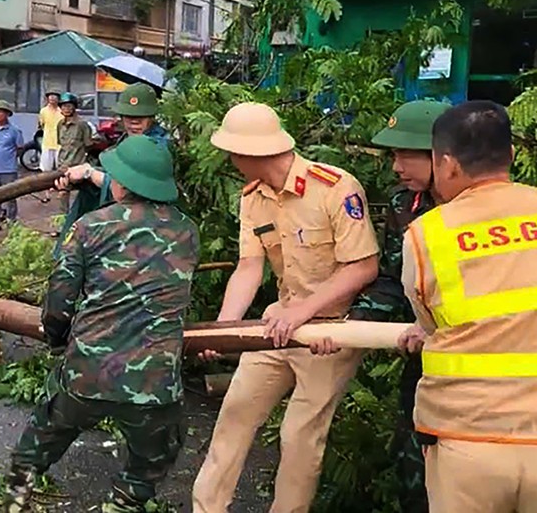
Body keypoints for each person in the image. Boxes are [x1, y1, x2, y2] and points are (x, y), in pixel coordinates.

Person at [192, 103, 380, 513]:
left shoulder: (334, 187)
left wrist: (304, 312)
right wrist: (224, 329)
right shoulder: (253, 198)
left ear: (250, 152)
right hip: (279, 323)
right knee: (235, 415)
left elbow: (363, 266)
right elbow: (249, 266)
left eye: (231, 152)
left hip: (332, 331)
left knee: (299, 437)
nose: (229, 160)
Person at [1, 135, 200, 513]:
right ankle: (126, 502)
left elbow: (58, 303)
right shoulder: (188, 231)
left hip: (87, 370)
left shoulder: (90, 227)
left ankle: (16, 492)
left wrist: (57, 343)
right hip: (155, 382)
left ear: (121, 182)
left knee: (49, 425)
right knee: (157, 451)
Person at [400, 101, 537, 513]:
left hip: (466, 437)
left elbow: (427, 321)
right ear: (512, 156)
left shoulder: (428, 235)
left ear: (448, 164)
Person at [348, 100, 450, 513]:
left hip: (479, 367)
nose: (395, 167)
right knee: (411, 464)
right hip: (419, 360)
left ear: (441, 155)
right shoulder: (401, 206)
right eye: (393, 155)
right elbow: (392, 279)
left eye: (405, 154)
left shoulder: (485, 211)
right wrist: (353, 325)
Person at [53, 83, 170, 251]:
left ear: (152, 118)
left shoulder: (159, 146)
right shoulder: (125, 139)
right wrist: (76, 180)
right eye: (129, 117)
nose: (134, 122)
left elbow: (136, 188)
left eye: (141, 117)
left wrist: (91, 174)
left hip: (141, 233)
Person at [0, 100, 24, 231]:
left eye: (0, 112)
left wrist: (9, 158)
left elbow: (19, 148)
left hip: (8, 170)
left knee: (10, 196)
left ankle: (11, 221)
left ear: (7, 114)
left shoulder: (14, 131)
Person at [56, 92, 93, 214]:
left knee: (82, 197)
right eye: (63, 106)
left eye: (69, 106)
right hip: (63, 166)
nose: (66, 109)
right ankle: (62, 226)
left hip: (78, 167)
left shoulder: (82, 125)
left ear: (74, 107)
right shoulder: (60, 124)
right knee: (62, 196)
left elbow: (89, 145)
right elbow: (61, 144)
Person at [38, 91, 62, 172]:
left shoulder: (62, 111)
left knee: (60, 168)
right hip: (47, 142)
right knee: (46, 169)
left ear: (58, 99)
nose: (52, 98)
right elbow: (41, 124)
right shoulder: (43, 111)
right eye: (50, 96)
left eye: (54, 96)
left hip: (60, 143)